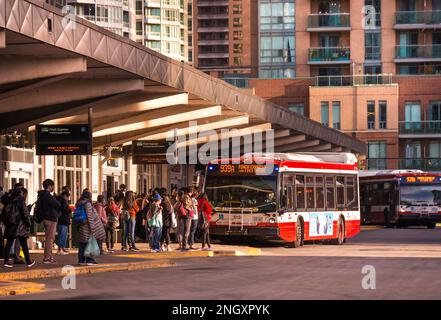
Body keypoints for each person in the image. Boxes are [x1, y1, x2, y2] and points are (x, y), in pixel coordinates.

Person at [3, 186, 35, 268]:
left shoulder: (9, 200)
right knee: (24, 244)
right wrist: (28, 223)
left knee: (9, 243)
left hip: (11, 224)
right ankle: (28, 261)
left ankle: (6, 261)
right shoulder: (20, 200)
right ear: (21, 193)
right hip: (20, 226)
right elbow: (24, 213)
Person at [76, 191, 106, 265]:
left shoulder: (79, 203)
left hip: (81, 225)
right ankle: (90, 260)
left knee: (82, 243)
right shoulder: (87, 204)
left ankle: (81, 260)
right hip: (87, 226)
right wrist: (92, 228)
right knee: (90, 242)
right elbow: (90, 216)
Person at [38, 179, 61, 264]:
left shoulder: (42, 195)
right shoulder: (47, 195)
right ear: (50, 186)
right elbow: (58, 204)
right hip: (50, 218)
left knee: (50, 238)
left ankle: (50, 257)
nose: (53, 188)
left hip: (45, 218)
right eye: (52, 186)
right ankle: (47, 257)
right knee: (49, 239)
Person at [56, 190, 72, 255]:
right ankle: (60, 249)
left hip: (61, 220)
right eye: (68, 196)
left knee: (62, 235)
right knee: (62, 235)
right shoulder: (62, 200)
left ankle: (61, 248)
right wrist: (70, 209)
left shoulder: (59, 200)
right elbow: (65, 210)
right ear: (65, 195)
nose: (68, 198)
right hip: (63, 220)